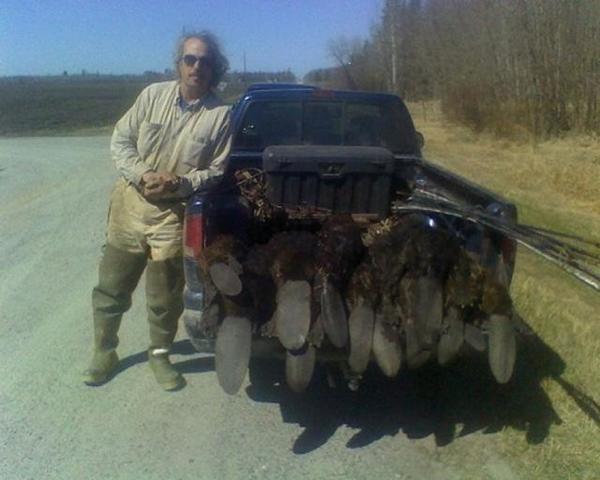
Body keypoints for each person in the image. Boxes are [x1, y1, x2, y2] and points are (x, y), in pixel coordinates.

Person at [83, 31, 232, 390]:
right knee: (111, 287)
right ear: (179, 63)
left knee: (164, 298)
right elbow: (121, 140)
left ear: (214, 68)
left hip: (172, 215)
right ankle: (104, 351)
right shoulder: (152, 96)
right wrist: (143, 174)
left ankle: (159, 355)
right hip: (131, 207)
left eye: (205, 61)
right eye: (190, 59)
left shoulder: (220, 115)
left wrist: (180, 183)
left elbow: (217, 170)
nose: (197, 66)